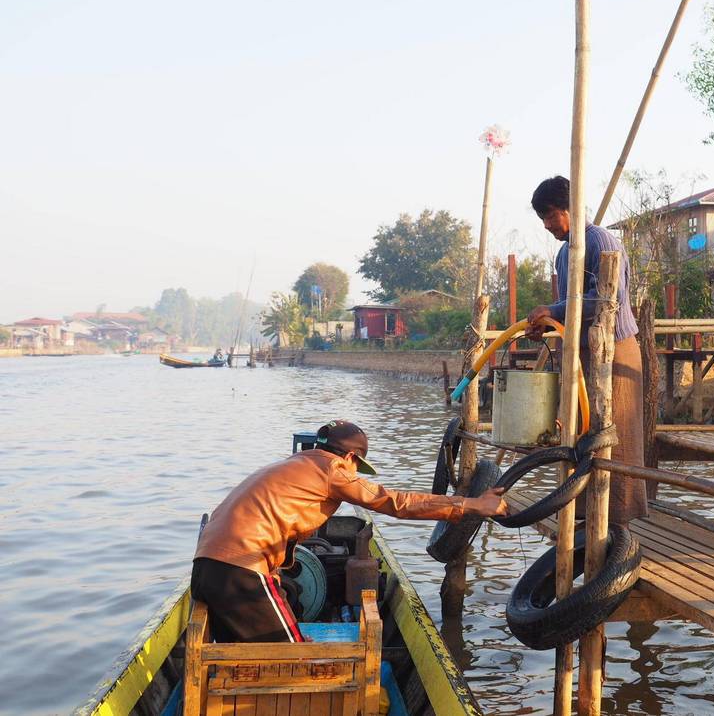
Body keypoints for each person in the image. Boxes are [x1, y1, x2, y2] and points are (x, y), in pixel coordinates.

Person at [192, 419, 507, 642]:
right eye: (358, 468)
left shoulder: (291, 466)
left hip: (205, 566)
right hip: (242, 569)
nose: (356, 475)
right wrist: (472, 505)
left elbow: (267, 522)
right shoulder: (332, 469)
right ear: (350, 457)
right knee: (288, 659)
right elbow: (396, 502)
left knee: (236, 659)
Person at [525, 175, 647, 523]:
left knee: (616, 437)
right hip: (581, 354)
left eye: (551, 216)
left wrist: (554, 310)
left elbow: (607, 300)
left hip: (614, 352)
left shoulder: (602, 241)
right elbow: (569, 306)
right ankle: (583, 514)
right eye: (543, 220)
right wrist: (547, 324)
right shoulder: (565, 252)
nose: (548, 225)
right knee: (579, 434)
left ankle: (621, 522)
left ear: (570, 208)